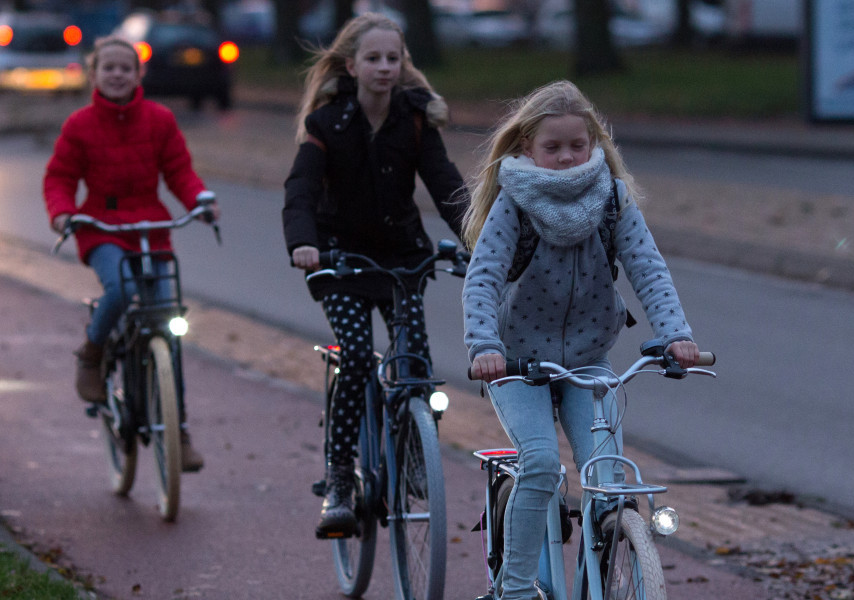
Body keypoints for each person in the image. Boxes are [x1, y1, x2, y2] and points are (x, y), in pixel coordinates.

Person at [460, 80, 700, 600]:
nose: (568, 157)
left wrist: (675, 335)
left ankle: (604, 569)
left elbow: (648, 269)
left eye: (578, 145)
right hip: (516, 364)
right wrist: (484, 346)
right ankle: (516, 589)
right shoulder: (514, 203)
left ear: (594, 144)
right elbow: (483, 277)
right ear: (527, 148)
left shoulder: (612, 199)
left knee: (608, 477)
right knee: (542, 463)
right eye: (553, 148)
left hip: (589, 360)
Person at [282, 12, 469, 538]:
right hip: (339, 260)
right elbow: (299, 189)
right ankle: (340, 478)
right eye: (374, 59)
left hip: (402, 259)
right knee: (359, 356)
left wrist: (480, 237)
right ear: (351, 65)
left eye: (394, 58)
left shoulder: (415, 119)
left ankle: (415, 453)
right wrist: (304, 243)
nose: (385, 68)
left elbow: (445, 184)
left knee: (416, 364)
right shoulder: (326, 123)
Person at [42, 36, 219, 472]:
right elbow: (59, 177)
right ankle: (93, 353)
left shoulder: (159, 120)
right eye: (109, 68)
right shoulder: (79, 125)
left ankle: (178, 430)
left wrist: (200, 202)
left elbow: (179, 171)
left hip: (153, 229)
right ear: (94, 74)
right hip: (102, 228)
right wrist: (63, 213)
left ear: (139, 75)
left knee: (169, 324)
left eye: (126, 68)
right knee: (119, 289)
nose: (117, 75)